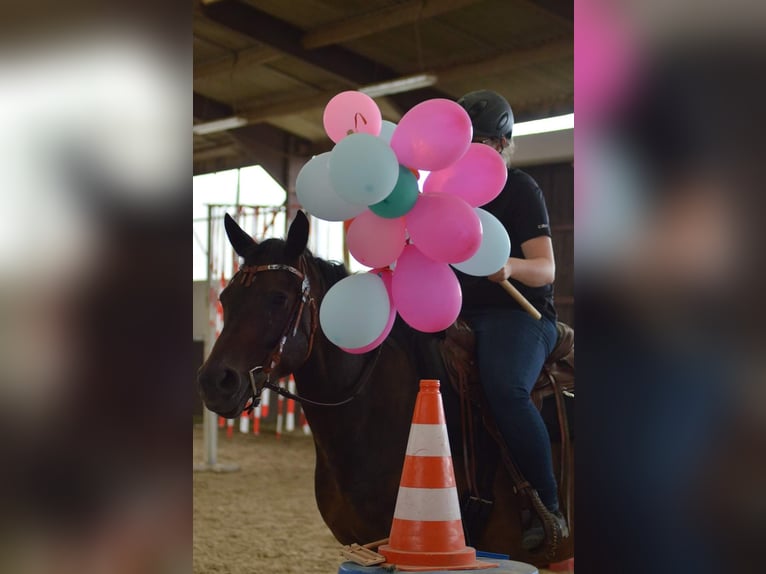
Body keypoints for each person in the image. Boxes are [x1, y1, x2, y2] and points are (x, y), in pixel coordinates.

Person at [455, 89, 568, 550]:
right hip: (458, 311)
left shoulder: (520, 188)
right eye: (464, 141)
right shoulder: (445, 194)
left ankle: (548, 506)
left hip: (520, 314)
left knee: (505, 385)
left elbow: (547, 268)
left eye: (481, 140)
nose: (470, 150)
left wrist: (511, 268)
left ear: (503, 144)